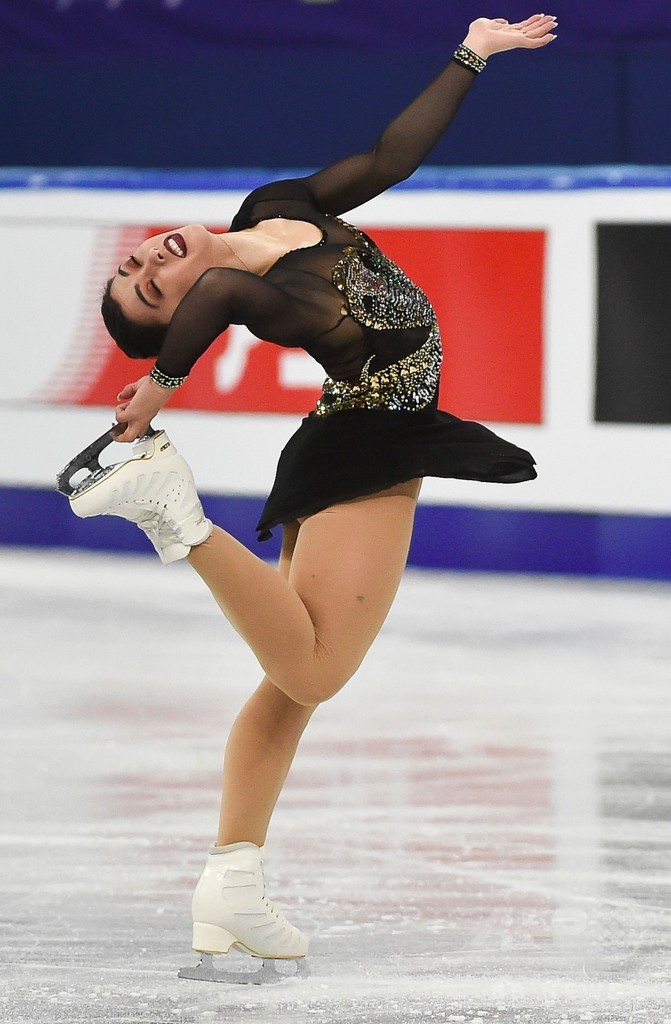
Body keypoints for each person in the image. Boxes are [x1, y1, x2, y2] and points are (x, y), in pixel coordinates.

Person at [71, 14, 557, 975]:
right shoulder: (272, 297)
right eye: (150, 287)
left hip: (355, 437)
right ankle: (177, 516)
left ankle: (231, 882)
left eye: (137, 263)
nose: (150, 260)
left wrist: (472, 53)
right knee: (318, 672)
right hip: (368, 448)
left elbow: (388, 158)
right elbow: (217, 297)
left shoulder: (275, 208)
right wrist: (162, 385)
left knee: (291, 686)